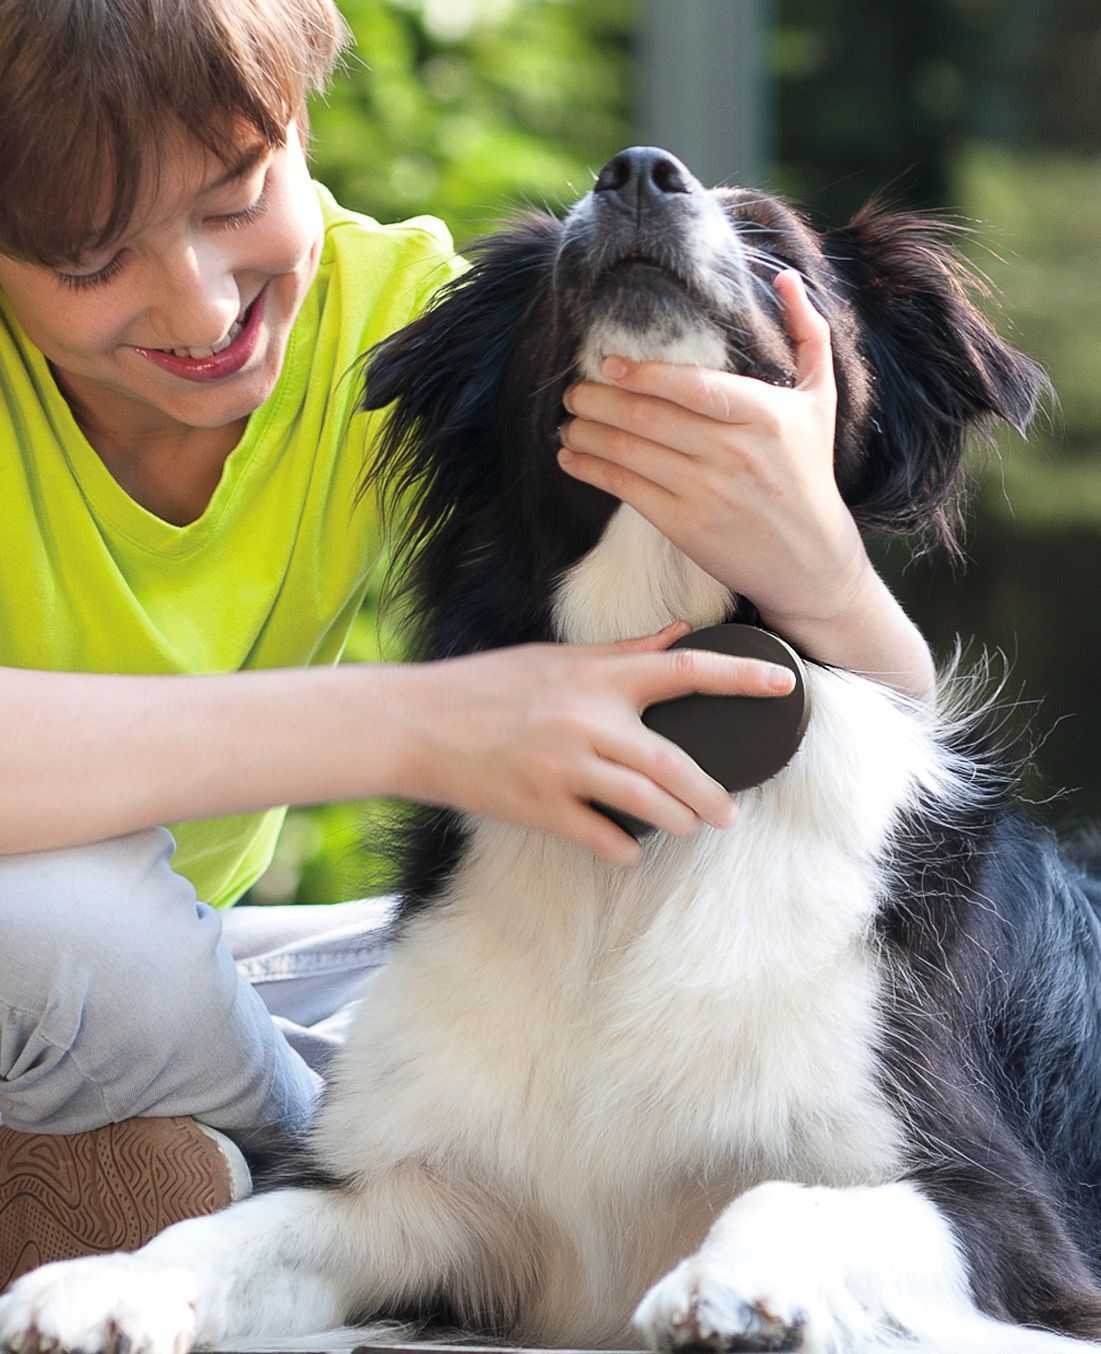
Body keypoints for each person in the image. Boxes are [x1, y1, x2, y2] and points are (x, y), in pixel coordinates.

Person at [0, 0, 935, 1287]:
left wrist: (818, 555)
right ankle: (296, 1160)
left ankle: (186, 1165)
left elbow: (902, 731)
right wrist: (428, 722)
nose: (202, 303)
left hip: (194, 957)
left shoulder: (388, 321)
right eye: (90, 259)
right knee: (58, 927)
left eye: (236, 197)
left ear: (299, 113)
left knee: (477, 964)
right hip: (72, 947)